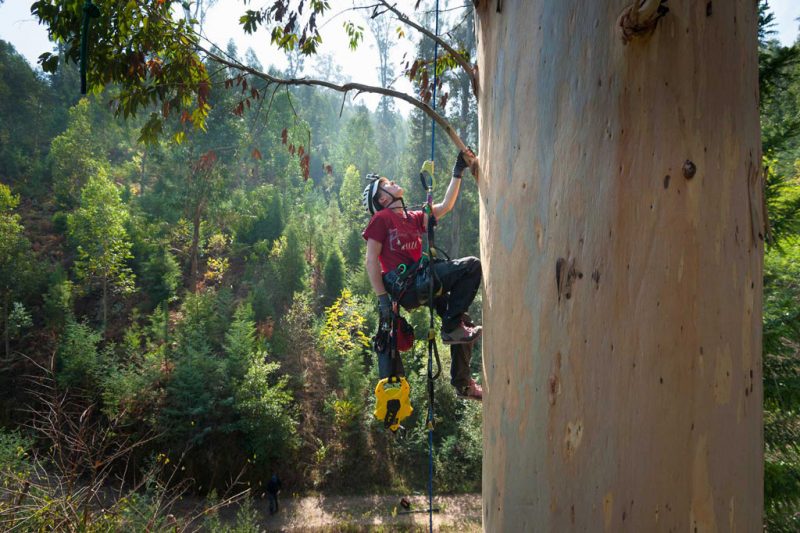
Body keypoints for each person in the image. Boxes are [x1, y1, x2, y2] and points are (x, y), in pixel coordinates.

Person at [362, 150, 483, 400]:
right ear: (382, 200)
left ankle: (463, 385)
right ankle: (450, 327)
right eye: (388, 185)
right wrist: (382, 299)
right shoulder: (381, 219)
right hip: (408, 284)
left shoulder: (413, 217)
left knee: (464, 321)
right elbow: (371, 259)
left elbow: (446, 206)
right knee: (471, 266)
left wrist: (456, 172)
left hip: (422, 282)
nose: (394, 184)